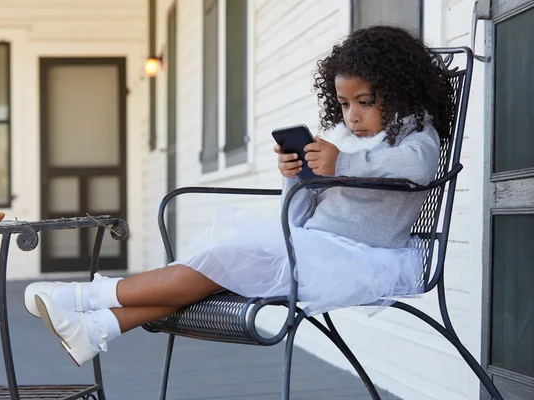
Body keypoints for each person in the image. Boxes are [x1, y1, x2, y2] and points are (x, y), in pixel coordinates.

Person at [24, 25, 455, 367]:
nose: (353, 115)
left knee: (224, 259)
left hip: (359, 257)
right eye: (344, 104)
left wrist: (341, 165)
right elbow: (301, 214)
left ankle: (89, 296)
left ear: (399, 92)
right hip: (310, 242)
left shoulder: (416, 136)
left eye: (365, 101)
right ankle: (99, 328)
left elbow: (415, 171)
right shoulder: (343, 139)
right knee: (220, 261)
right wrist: (296, 177)